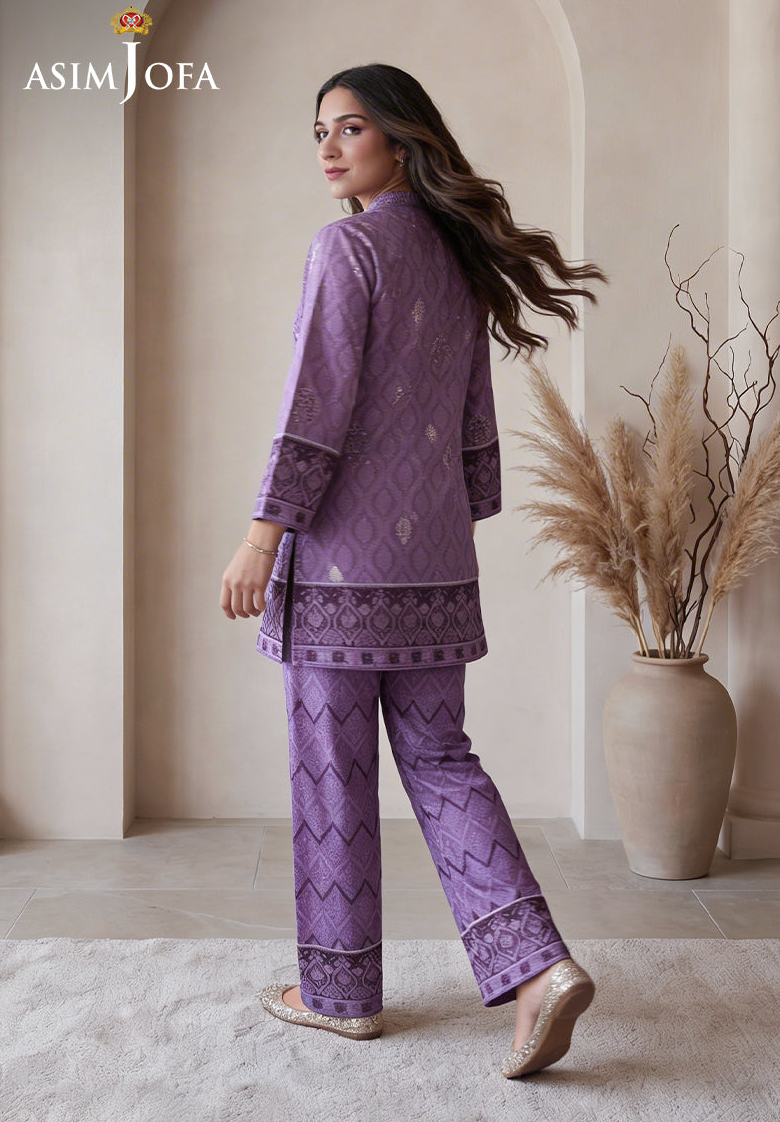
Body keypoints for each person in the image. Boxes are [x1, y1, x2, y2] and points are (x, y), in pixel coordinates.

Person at [220, 63, 606, 1077]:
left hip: (339, 567)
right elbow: (475, 431)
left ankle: (339, 993)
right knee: (441, 759)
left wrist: (262, 536)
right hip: (434, 560)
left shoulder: (345, 247)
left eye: (349, 127)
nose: (328, 147)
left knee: (332, 769)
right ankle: (539, 968)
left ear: (401, 138)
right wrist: (443, 518)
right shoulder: (453, 256)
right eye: (318, 131)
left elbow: (314, 403)